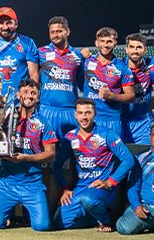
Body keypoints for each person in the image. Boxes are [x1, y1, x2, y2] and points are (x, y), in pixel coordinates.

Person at [53, 98, 135, 232]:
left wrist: (110, 182)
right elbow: (57, 165)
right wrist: (65, 189)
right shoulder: (70, 137)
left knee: (89, 200)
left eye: (88, 113)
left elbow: (128, 160)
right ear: (75, 115)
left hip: (102, 189)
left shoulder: (107, 134)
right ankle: (93, 218)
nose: (84, 117)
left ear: (95, 114)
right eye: (80, 113)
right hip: (80, 189)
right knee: (60, 223)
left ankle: (106, 220)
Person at [0, 79, 57, 231]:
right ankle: (8, 215)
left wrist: (27, 158)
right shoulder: (5, 117)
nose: (29, 96)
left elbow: (51, 153)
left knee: (42, 226)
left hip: (32, 183)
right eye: (25, 92)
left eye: (33, 93)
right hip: (7, 181)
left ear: (38, 97)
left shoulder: (43, 122)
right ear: (18, 95)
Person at [0, 6, 39, 121]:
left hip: (19, 107)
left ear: (16, 24)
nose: (5, 27)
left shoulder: (27, 43)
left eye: (9, 23)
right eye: (1, 23)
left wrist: (30, 104)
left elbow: (34, 76)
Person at [80, 27, 135, 137]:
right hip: (88, 119)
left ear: (115, 43)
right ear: (96, 43)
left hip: (111, 120)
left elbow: (131, 96)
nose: (105, 45)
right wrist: (81, 53)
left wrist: (111, 96)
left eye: (109, 41)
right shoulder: (86, 61)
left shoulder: (122, 67)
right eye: (102, 41)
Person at [37, 16, 84, 140]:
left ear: (67, 32)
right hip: (46, 110)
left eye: (59, 31)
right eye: (52, 32)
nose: (55, 35)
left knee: (71, 149)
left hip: (70, 111)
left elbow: (82, 84)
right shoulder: (41, 52)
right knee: (47, 149)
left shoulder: (78, 55)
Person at [123, 34, 154, 144]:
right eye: (132, 47)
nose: (135, 51)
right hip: (121, 123)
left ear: (145, 50)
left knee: (144, 154)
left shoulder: (152, 65)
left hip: (143, 125)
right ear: (126, 49)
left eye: (139, 47)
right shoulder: (118, 67)